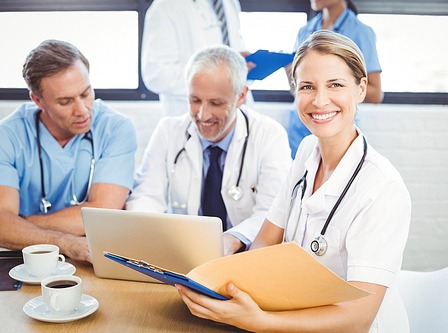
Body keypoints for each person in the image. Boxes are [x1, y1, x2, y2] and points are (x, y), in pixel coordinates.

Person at [176, 31, 411, 333]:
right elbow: (265, 241)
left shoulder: (382, 188)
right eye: (307, 87)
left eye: (335, 85)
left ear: (361, 88)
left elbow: (359, 317)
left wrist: (260, 321)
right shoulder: (305, 152)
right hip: (292, 316)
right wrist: (226, 289)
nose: (319, 100)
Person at [126, 45, 291, 256]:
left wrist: (230, 241)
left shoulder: (269, 135)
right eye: (195, 100)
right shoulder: (168, 131)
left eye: (216, 103)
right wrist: (146, 230)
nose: (203, 116)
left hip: (245, 255)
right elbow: (146, 196)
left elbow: (273, 213)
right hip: (183, 254)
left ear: (241, 96)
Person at [0, 40, 137, 262]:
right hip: (22, 257)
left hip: (89, 254)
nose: (82, 111)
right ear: (38, 101)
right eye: (65, 101)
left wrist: (21, 224)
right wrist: (64, 243)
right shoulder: (7, 136)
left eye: (85, 93)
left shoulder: (116, 128)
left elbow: (103, 213)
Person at [288, 0, 383, 157]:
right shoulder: (304, 31)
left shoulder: (361, 32)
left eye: (336, 84)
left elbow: (376, 93)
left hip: (336, 129)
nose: (320, 101)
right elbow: (296, 89)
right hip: (299, 131)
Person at [141, 0, 252, 116]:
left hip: (238, 112)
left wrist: (240, 61)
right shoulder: (165, 6)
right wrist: (214, 76)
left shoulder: (229, 3)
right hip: (193, 118)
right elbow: (156, 74)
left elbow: (233, 43)